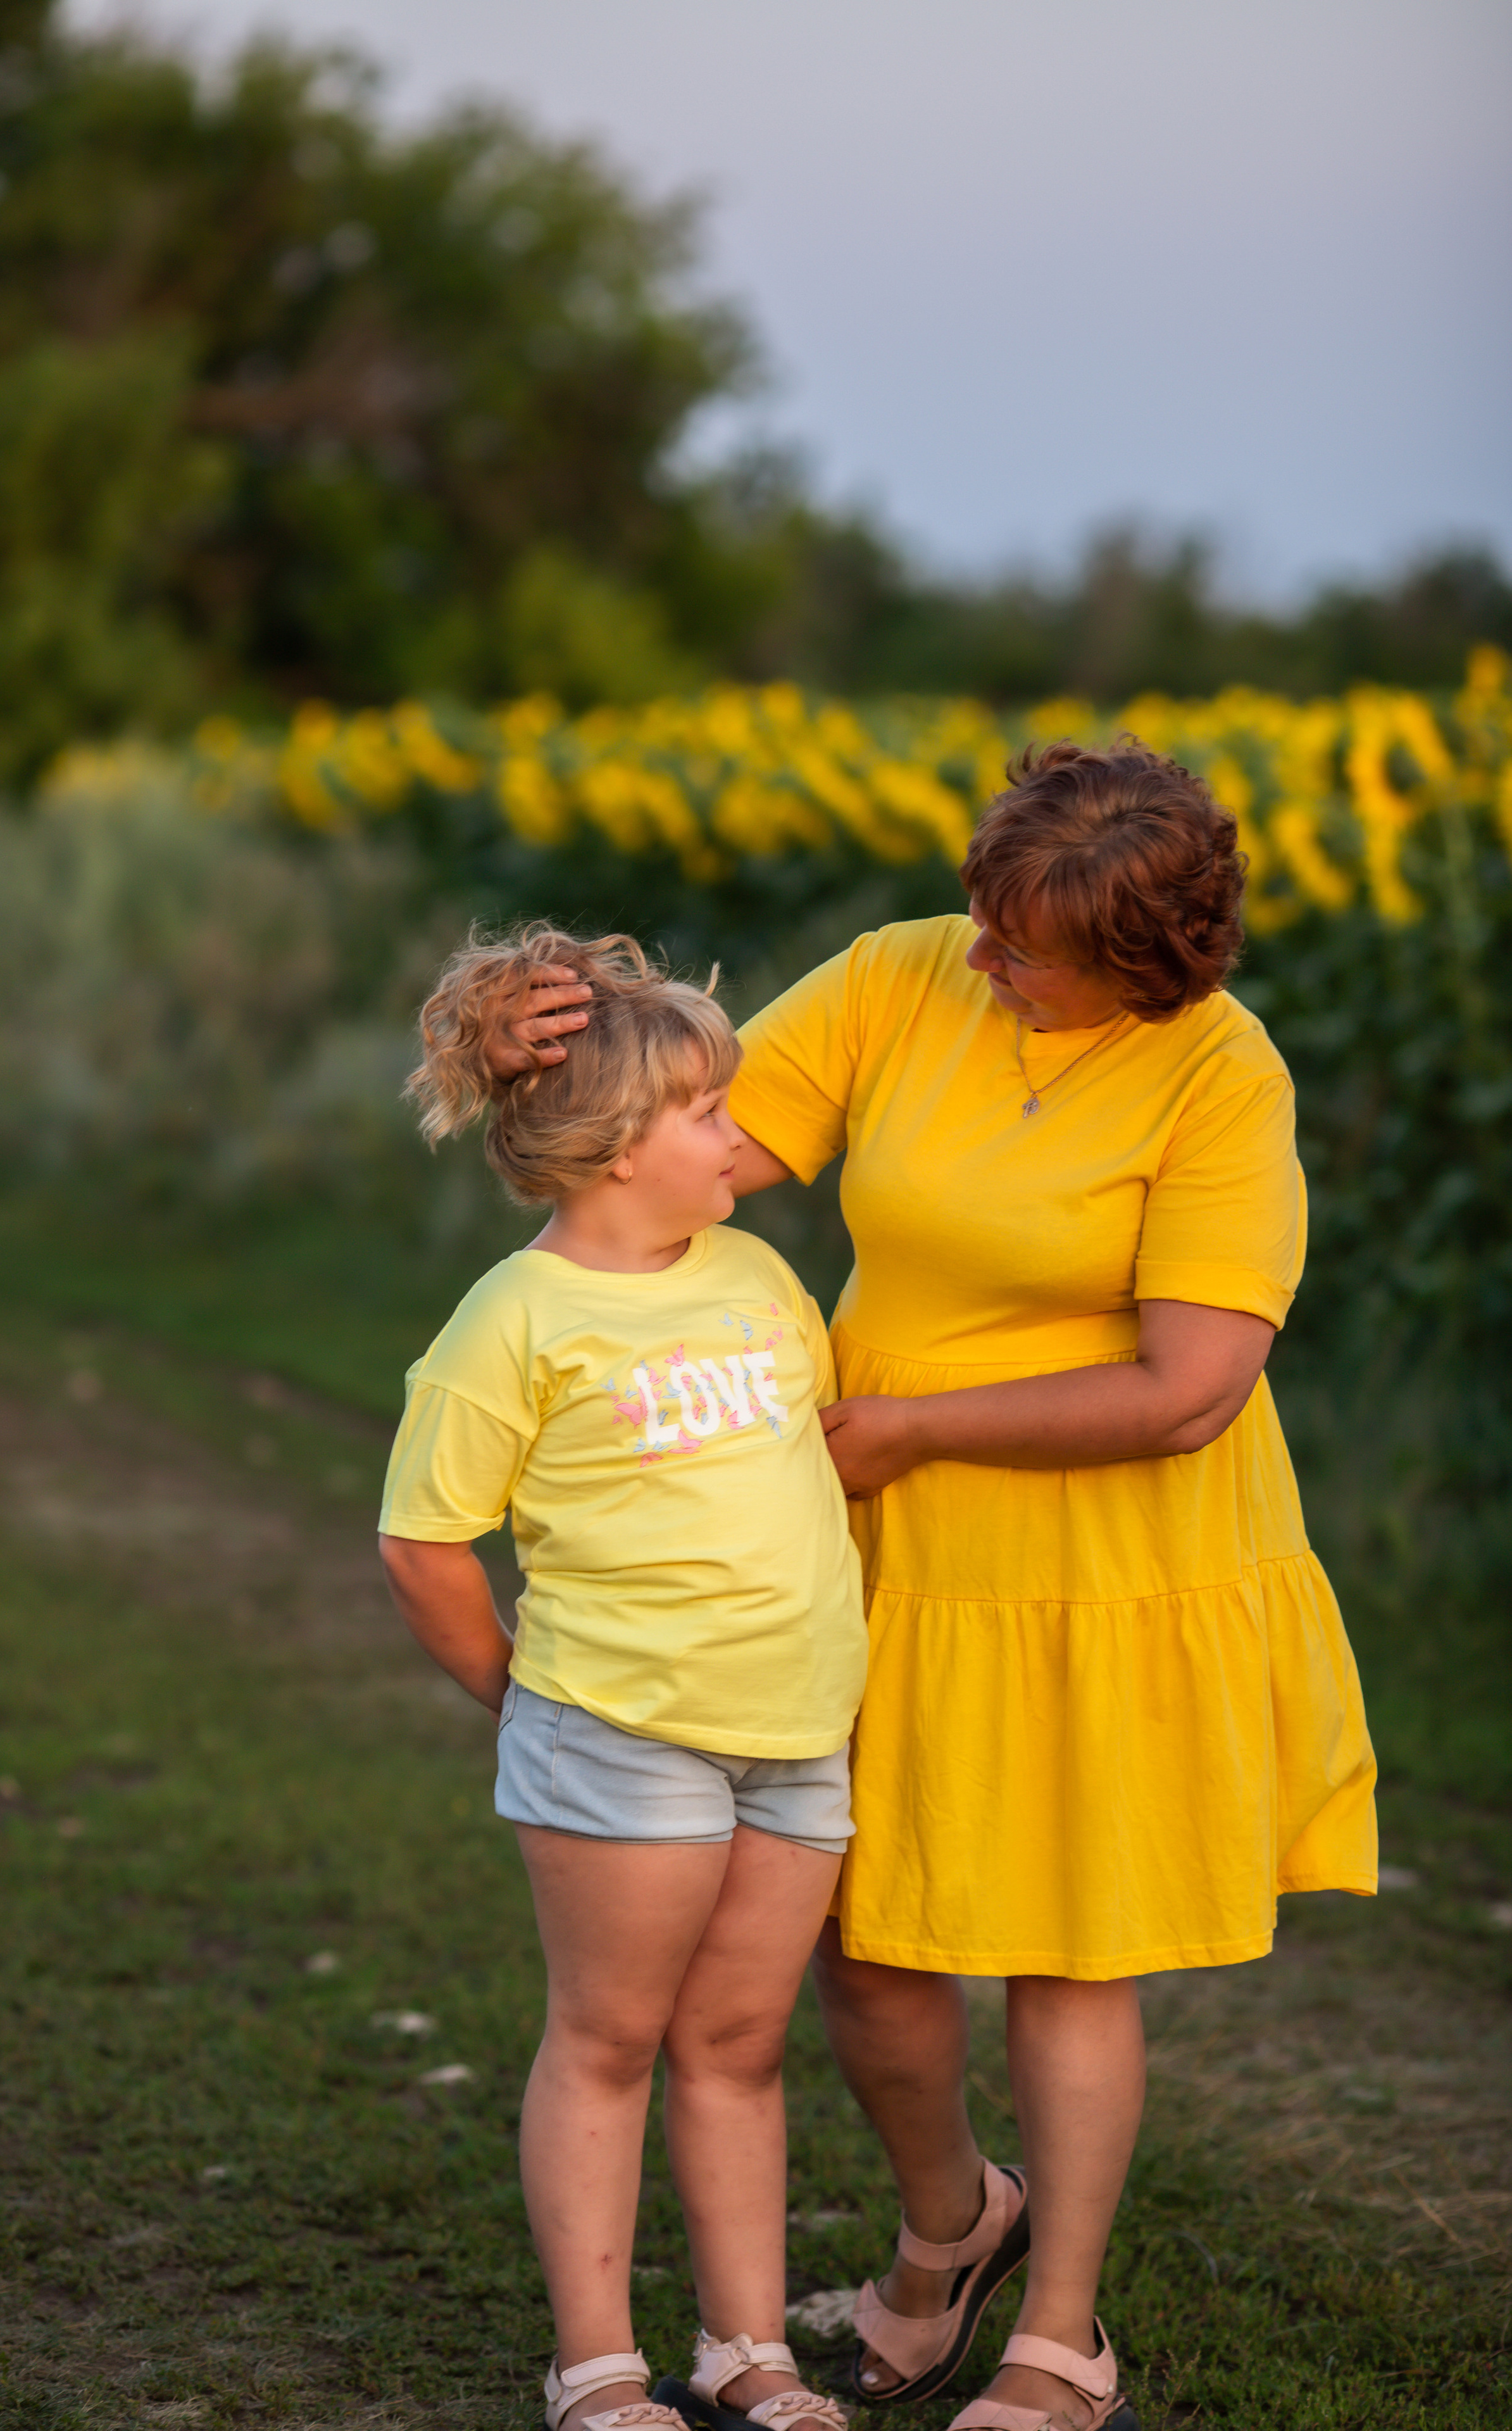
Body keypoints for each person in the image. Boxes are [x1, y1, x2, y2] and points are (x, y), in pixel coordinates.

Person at [487, 741, 1379, 2431]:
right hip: (873, 1543)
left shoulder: (1220, 1075)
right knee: (866, 1947)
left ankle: (1061, 2337)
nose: (979, 955)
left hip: (1112, 1553)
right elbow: (679, 1142)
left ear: (1143, 963)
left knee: (1068, 1947)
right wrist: (551, 1022)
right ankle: (954, 2222)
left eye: (1018, 944)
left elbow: (1193, 1386)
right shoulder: (908, 977)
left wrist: (911, 1427)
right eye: (981, 913)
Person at [377, 926, 867, 2431]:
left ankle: (744, 2354)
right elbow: (422, 1542)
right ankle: (594, 2366)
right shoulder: (512, 1323)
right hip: (620, 1739)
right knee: (607, 2041)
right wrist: (515, 1691)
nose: (742, 1136)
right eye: (708, 1115)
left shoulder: (760, 1277)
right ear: (610, 1148)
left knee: (736, 2047)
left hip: (793, 1734)